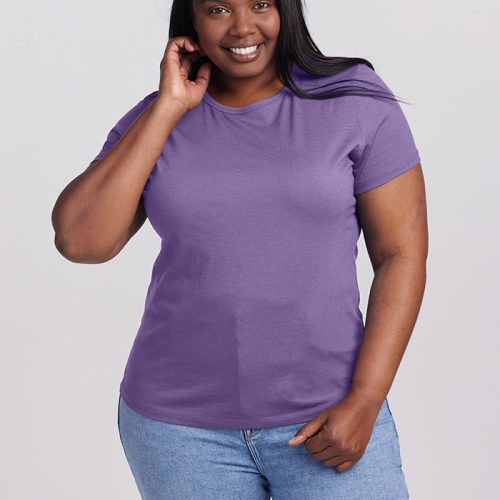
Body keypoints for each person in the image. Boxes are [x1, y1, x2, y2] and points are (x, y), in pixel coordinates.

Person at [51, 0, 427, 498]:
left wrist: (366, 397)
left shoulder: (353, 100)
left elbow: (401, 253)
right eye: (218, 8)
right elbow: (81, 241)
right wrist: (167, 107)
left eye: (260, 4)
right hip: (178, 431)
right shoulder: (157, 118)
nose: (242, 26)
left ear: (285, 11)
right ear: (191, 21)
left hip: (329, 416)